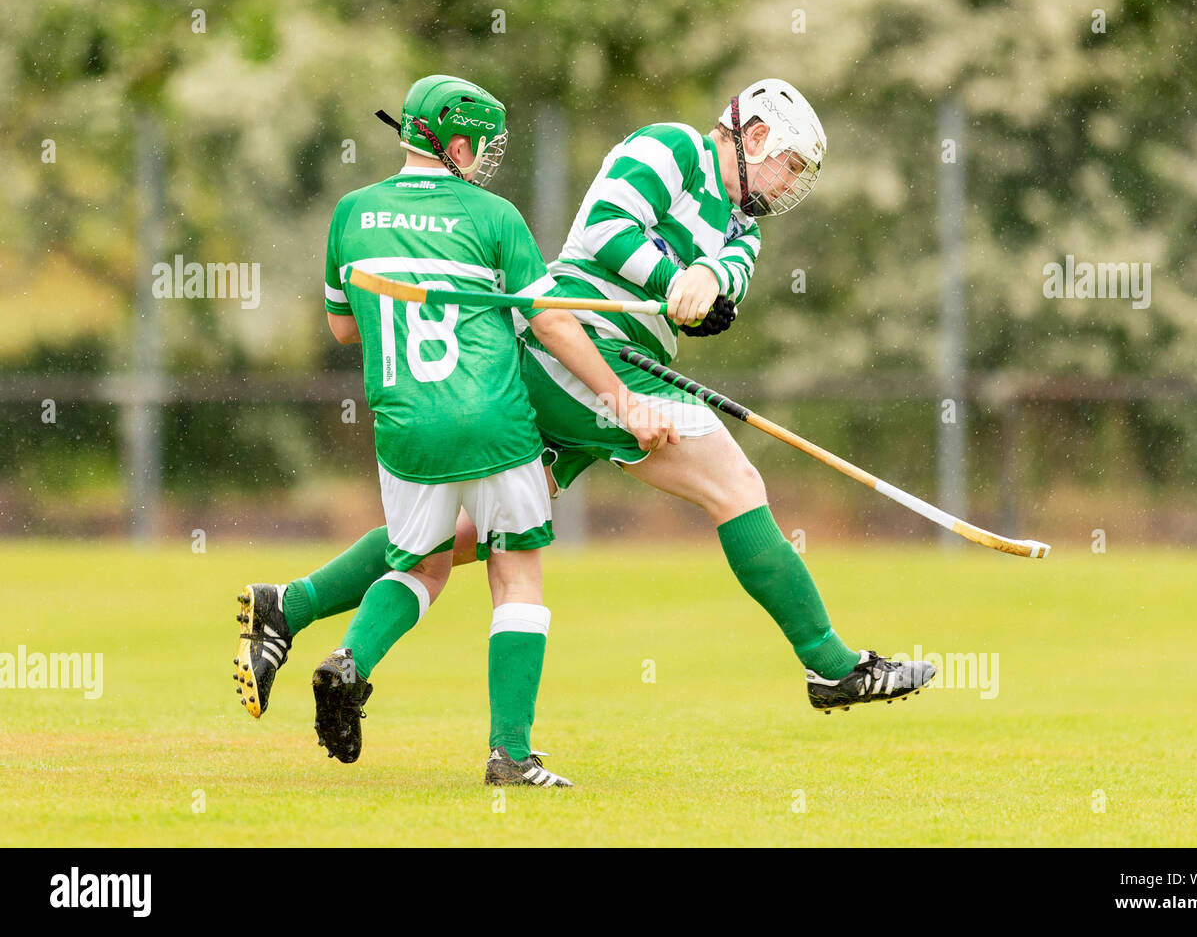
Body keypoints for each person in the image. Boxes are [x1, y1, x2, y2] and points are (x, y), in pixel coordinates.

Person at [233, 78, 933, 747]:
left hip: (611, 369)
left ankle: (286, 607)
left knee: (453, 540)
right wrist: (671, 279)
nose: (788, 185)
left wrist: (707, 283)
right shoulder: (670, 150)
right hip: (573, 352)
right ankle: (831, 665)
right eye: (787, 165)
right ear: (752, 136)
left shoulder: (744, 231)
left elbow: (725, 288)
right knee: (736, 485)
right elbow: (604, 231)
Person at [232, 74, 675, 789]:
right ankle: (510, 754)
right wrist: (623, 399)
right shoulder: (494, 217)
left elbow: (343, 326)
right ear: (457, 143)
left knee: (420, 567)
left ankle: (350, 661)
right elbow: (551, 319)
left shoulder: (350, 212)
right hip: (492, 422)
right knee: (516, 574)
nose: (483, 162)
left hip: (403, 426)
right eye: (482, 148)